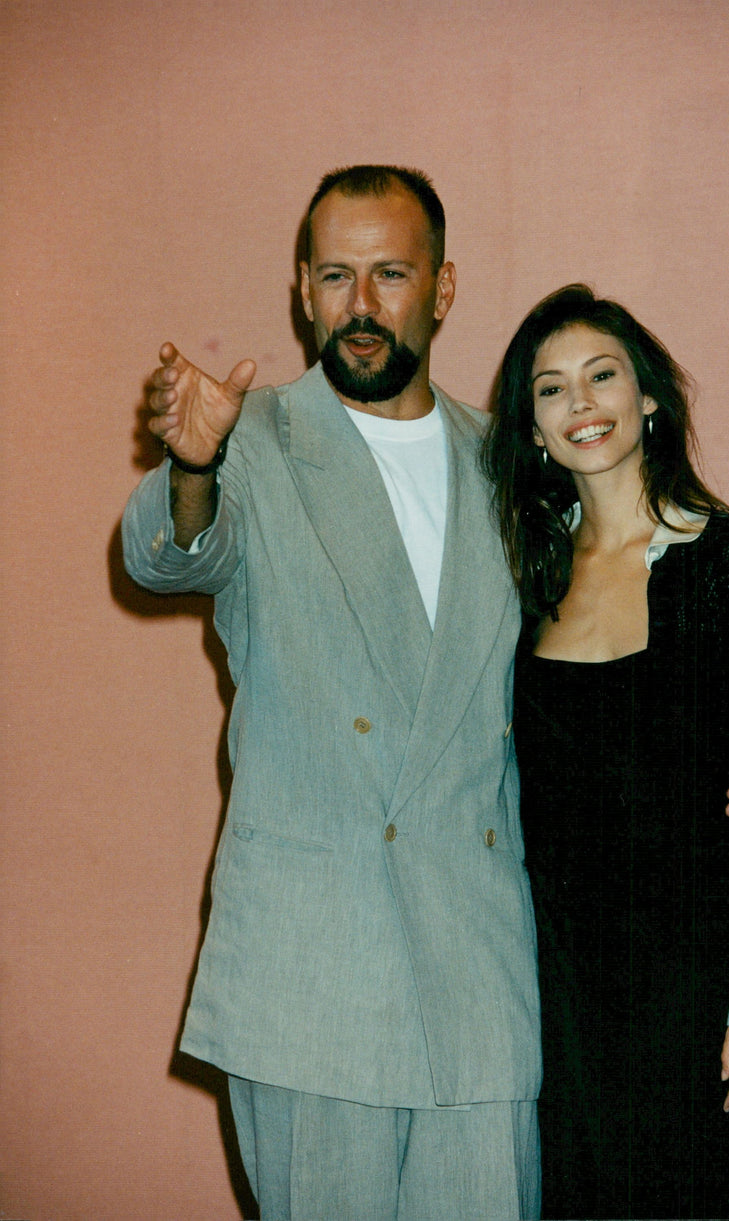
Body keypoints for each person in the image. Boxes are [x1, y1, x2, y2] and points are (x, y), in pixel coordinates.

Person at [122, 166, 542, 1220]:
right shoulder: (247, 439)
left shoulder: (506, 462)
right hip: (312, 969)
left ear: (441, 289)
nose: (360, 306)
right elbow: (168, 558)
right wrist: (189, 468)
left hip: (478, 971)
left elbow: (589, 667)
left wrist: (707, 784)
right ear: (301, 292)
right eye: (335, 276)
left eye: (390, 274)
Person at [483, 284, 729, 1219]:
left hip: (700, 984)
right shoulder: (524, 580)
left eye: (601, 376)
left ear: (647, 396)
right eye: (551, 389)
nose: (581, 404)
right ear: (532, 427)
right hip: (568, 988)